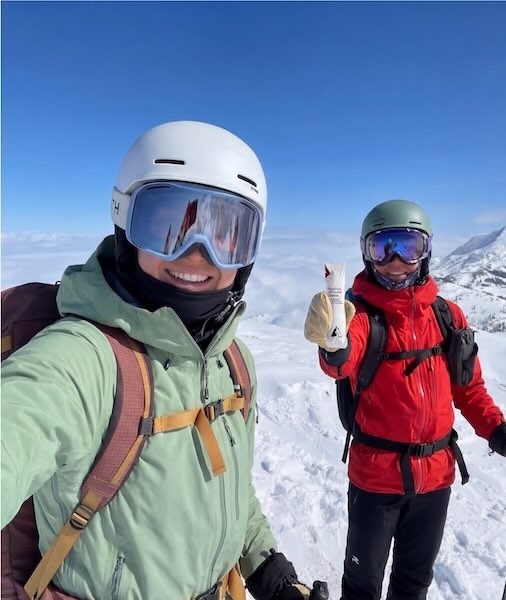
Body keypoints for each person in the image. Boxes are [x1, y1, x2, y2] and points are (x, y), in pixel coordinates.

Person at [1, 121, 321, 599]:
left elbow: (227, 492)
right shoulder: (82, 358)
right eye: (170, 225)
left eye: (227, 233)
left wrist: (266, 567)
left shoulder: (233, 362)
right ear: (125, 223)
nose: (197, 254)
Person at [302, 199, 506, 600]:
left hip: (435, 479)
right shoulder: (360, 315)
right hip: (375, 481)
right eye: (383, 248)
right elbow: (341, 362)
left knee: (413, 586)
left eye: (408, 246)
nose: (396, 260)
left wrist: (505, 437)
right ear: (367, 254)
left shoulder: (448, 317)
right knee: (362, 588)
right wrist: (333, 343)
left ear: (426, 251)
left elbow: (469, 390)